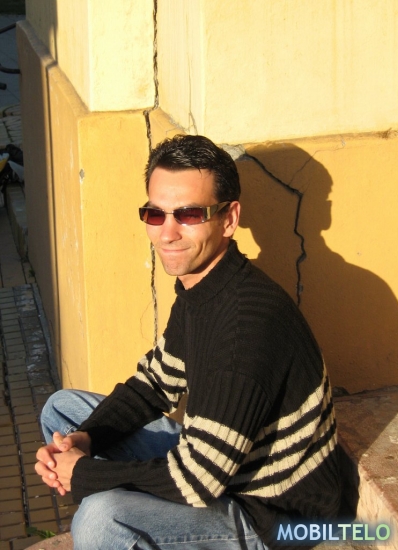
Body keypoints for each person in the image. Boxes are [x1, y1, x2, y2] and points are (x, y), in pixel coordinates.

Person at [35, 135, 341, 549]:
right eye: (155, 214)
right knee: (63, 411)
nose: (167, 234)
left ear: (229, 219)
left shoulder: (246, 328)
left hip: (274, 516)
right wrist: (84, 442)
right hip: (222, 470)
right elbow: (153, 385)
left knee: (100, 518)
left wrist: (84, 473)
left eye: (189, 214)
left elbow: (198, 480)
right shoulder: (204, 288)